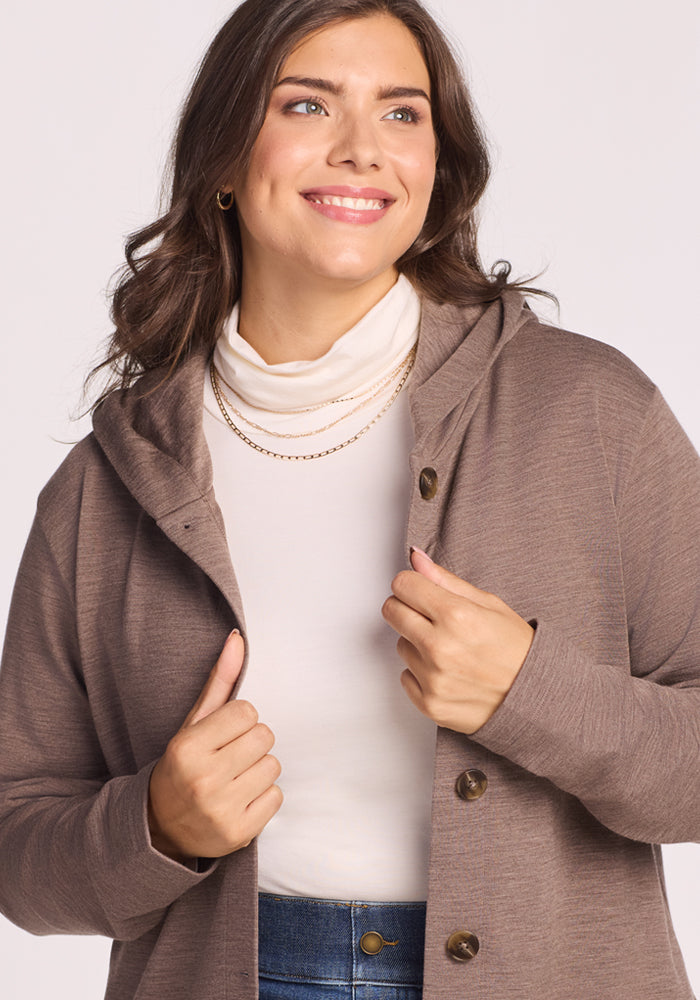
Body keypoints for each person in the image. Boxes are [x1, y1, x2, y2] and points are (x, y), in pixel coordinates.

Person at [0, 0, 698, 998]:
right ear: (226, 161)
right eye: (308, 105)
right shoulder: (107, 487)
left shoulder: (592, 414)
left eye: (403, 114)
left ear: (437, 168)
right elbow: (18, 840)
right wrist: (152, 826)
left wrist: (531, 690)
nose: (363, 149)